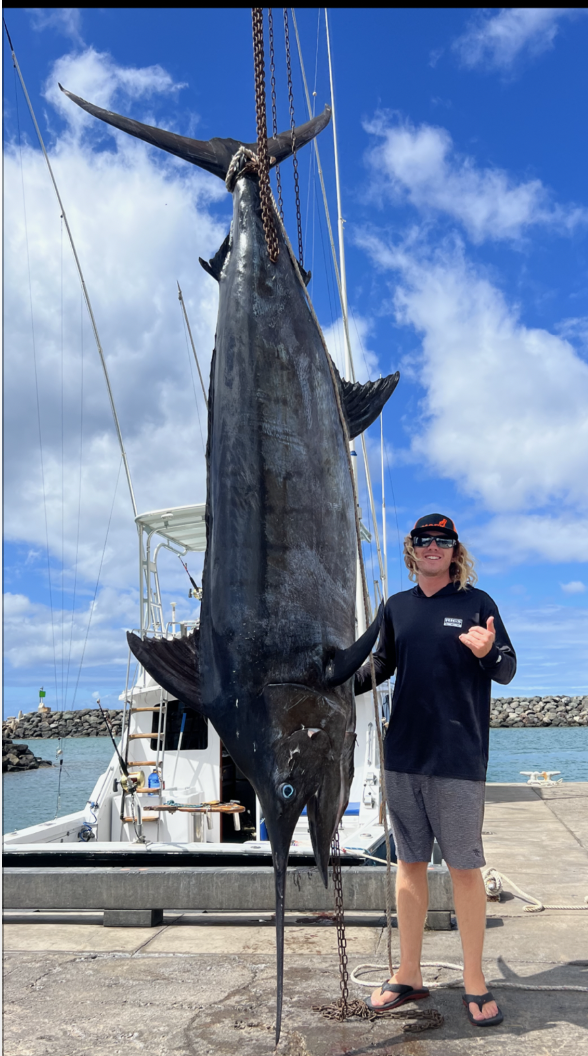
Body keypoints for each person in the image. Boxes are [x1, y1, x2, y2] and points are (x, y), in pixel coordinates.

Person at [354, 513, 516, 1027]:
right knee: (409, 866)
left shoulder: (478, 603)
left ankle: (473, 979)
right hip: (403, 755)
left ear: (454, 550)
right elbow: (377, 667)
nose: (432, 547)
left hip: (459, 758)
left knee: (465, 870)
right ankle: (409, 975)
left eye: (442, 541)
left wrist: (489, 653)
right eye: (424, 540)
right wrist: (325, 678)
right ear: (412, 549)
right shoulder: (397, 607)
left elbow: (508, 668)